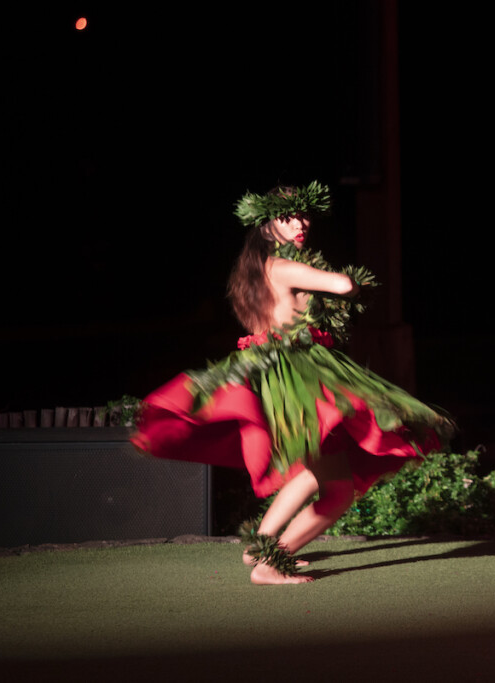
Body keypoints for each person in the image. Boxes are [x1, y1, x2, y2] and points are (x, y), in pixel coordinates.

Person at [132, 181, 452, 584]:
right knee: (335, 492)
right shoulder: (283, 267)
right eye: (288, 216)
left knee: (311, 476)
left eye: (303, 216)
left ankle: (260, 549)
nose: (300, 223)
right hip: (300, 376)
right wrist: (341, 281)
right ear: (267, 225)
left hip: (281, 377)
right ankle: (269, 563)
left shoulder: (255, 272)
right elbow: (344, 285)